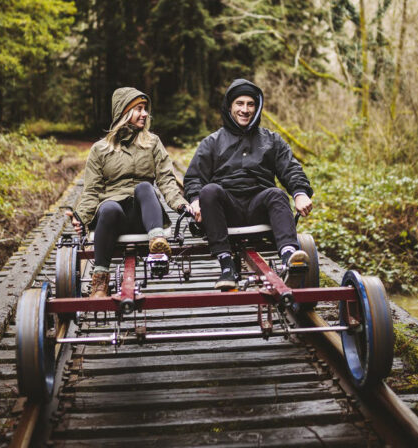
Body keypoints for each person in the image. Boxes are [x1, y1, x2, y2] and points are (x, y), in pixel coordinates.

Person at [184, 79, 314, 290]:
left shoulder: (271, 140)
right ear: (229, 107)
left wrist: (300, 193)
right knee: (208, 191)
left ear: (257, 107)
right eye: (239, 104)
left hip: (259, 206)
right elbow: (194, 178)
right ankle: (226, 264)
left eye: (250, 104)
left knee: (277, 194)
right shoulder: (212, 142)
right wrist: (196, 199)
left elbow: (290, 169)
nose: (245, 110)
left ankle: (289, 257)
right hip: (226, 211)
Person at [69, 87, 189, 298]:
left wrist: (180, 204)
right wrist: (82, 216)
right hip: (114, 217)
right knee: (108, 207)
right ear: (124, 112)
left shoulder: (152, 143)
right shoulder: (100, 149)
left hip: (145, 215)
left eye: (145, 110)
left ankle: (157, 243)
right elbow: (92, 190)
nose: (145, 114)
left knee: (144, 187)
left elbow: (166, 180)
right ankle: (100, 281)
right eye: (139, 109)